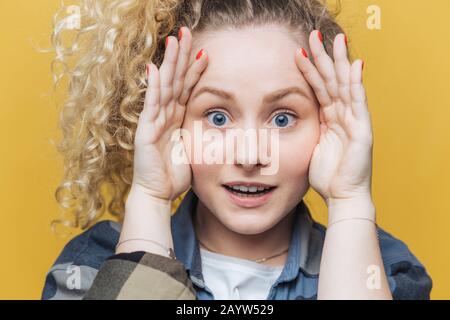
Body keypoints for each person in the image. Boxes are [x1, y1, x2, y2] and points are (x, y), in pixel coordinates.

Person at [42, 0, 432, 300]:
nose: (249, 155)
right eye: (217, 117)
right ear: (171, 123)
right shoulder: (92, 264)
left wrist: (349, 203)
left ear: (327, 124)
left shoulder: (382, 267)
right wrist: (150, 198)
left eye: (282, 118)